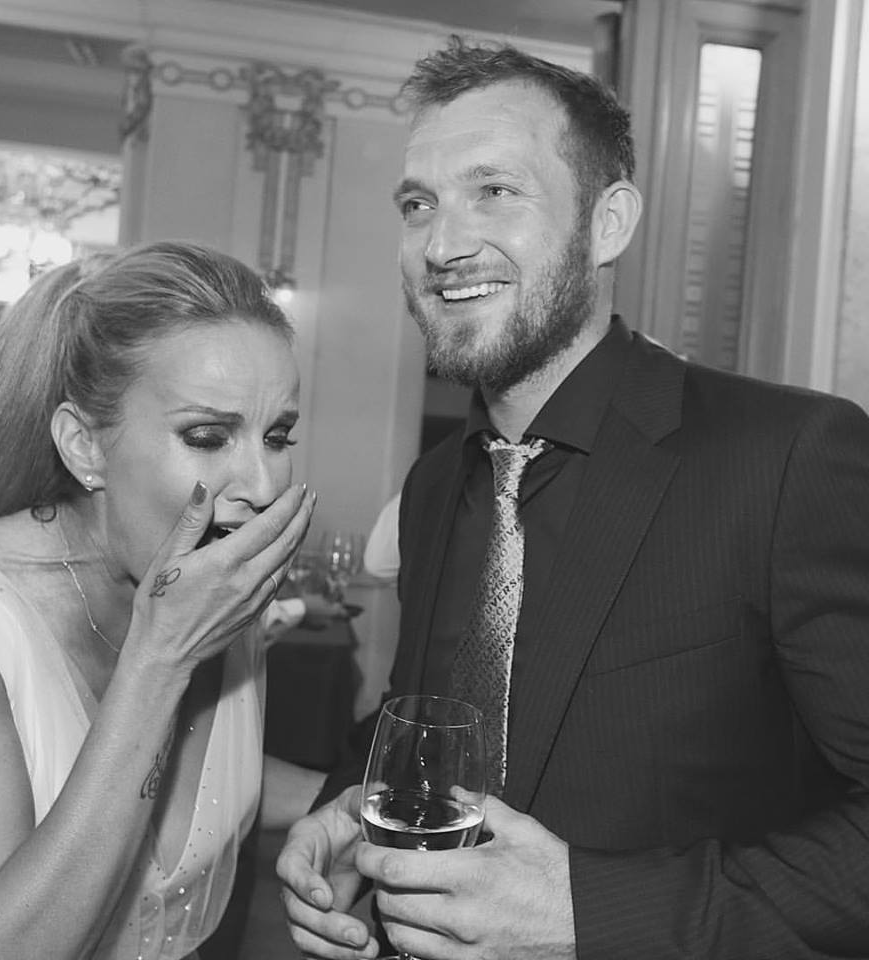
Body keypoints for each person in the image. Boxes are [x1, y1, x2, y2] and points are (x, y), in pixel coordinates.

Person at [275, 35, 869, 960]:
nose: (443, 244)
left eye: (495, 190)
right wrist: (346, 809)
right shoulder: (436, 486)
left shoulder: (788, 457)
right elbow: (428, 721)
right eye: (418, 204)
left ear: (608, 223)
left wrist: (593, 914)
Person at [0, 239, 327, 960]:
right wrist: (160, 660)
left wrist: (352, 801)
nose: (263, 487)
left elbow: (200, 786)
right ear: (84, 446)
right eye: (208, 435)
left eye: (278, 435)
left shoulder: (209, 584)